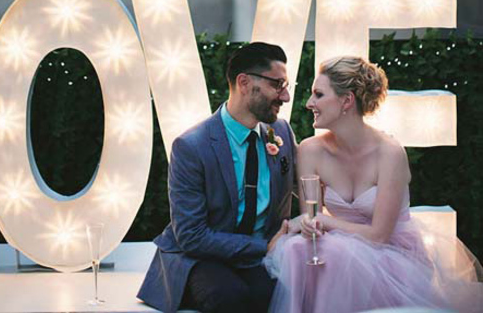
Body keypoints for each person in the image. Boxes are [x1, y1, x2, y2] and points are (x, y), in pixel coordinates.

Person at [265, 55, 483, 313]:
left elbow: (379, 236)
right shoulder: (311, 150)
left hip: (394, 258)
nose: (309, 103)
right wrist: (304, 226)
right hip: (338, 252)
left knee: (333, 252)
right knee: (300, 248)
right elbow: (310, 218)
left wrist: (324, 221)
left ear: (347, 101)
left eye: (319, 95)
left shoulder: (389, 153)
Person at [138, 42, 297, 313]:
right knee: (229, 297)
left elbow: (299, 191)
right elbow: (191, 235)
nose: (285, 97)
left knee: (279, 295)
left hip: (258, 256)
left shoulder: (280, 130)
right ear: (244, 82)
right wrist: (263, 246)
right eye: (277, 85)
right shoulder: (191, 146)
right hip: (202, 257)